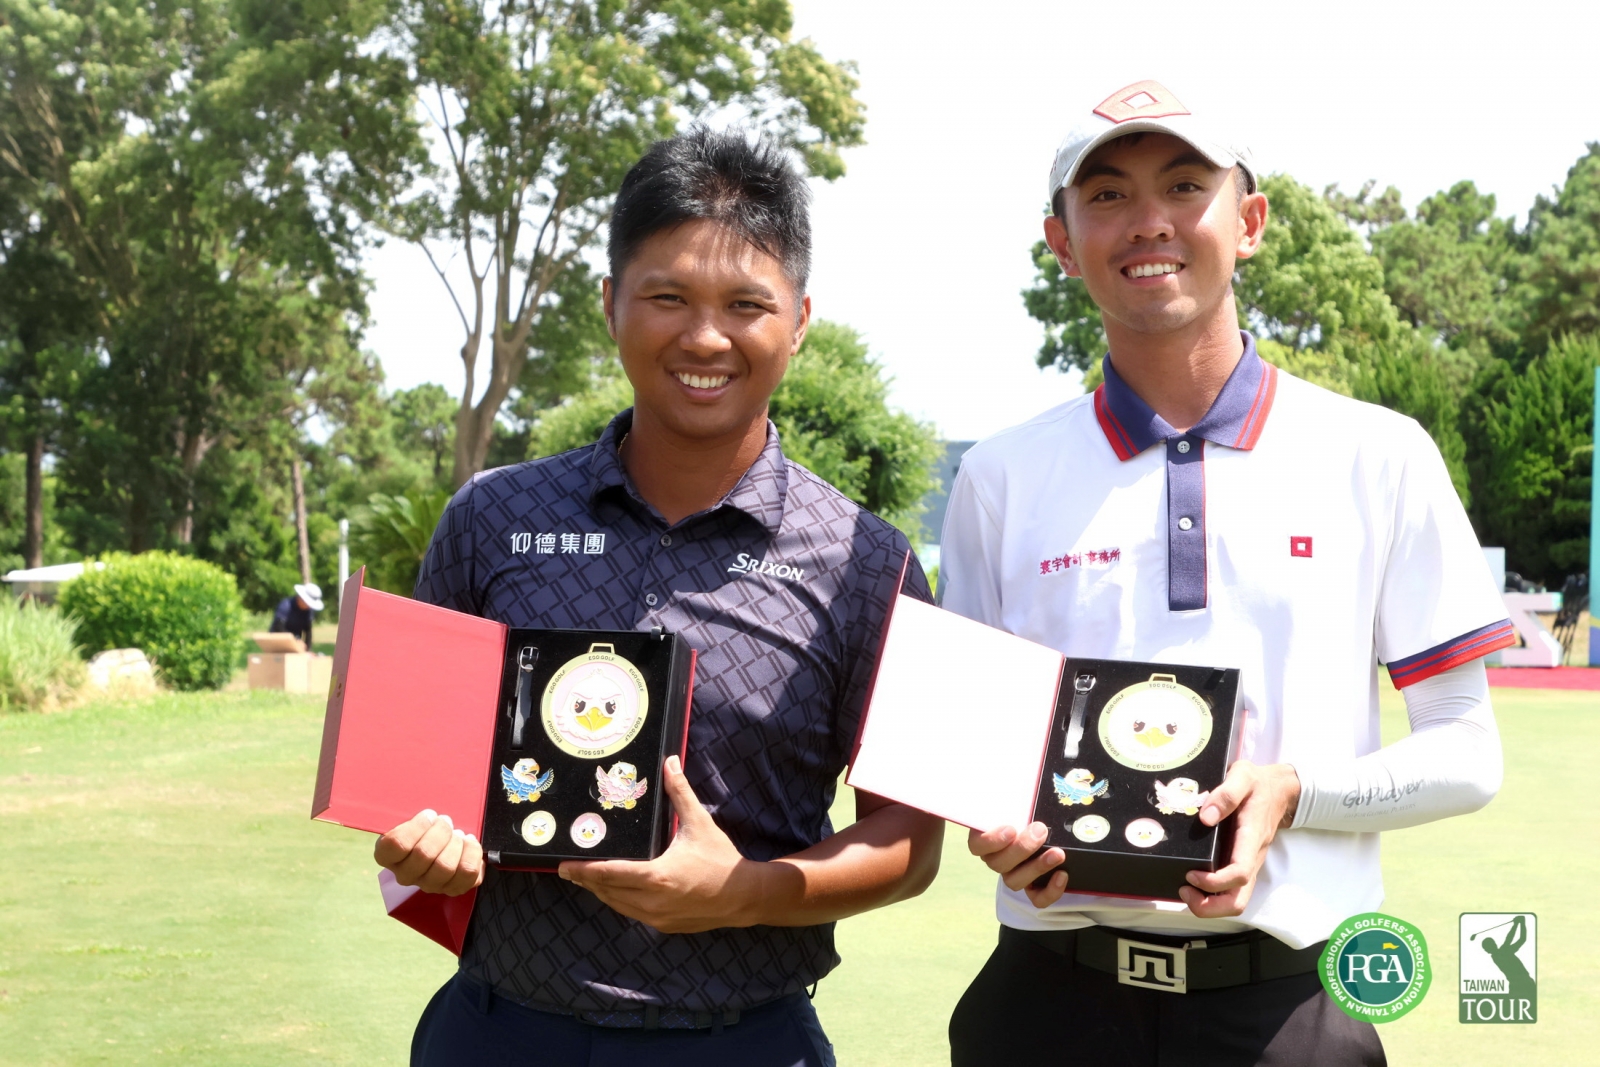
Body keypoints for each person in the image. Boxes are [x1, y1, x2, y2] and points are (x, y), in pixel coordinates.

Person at [939, 80, 1514, 1066]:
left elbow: (1466, 752)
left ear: (1246, 222)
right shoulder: (999, 474)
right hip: (1048, 1006)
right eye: (1107, 195)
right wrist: (999, 826)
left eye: (1184, 186)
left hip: (1288, 1012)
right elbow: (969, 754)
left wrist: (1294, 791)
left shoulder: (1376, 452)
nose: (1148, 221)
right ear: (1061, 243)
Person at [374, 127, 944, 1067]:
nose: (705, 336)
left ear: (799, 320)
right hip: (501, 1030)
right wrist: (419, 837)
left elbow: (910, 840)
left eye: (747, 303)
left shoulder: (866, 561)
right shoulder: (493, 517)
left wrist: (746, 891)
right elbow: (409, 772)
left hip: (746, 1041)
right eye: (668, 296)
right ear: (611, 304)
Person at [269, 582, 322, 649]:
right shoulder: (286, 606)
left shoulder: (308, 611)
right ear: (301, 598)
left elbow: (308, 630)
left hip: (295, 643)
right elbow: (278, 627)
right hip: (277, 640)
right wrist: (295, 639)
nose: (308, 606)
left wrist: (307, 649)